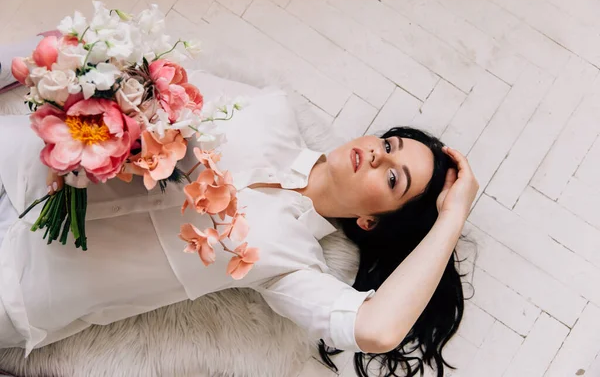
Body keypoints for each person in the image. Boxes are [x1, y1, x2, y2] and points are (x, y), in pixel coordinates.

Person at [0, 46, 478, 377]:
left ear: (371, 221)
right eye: (389, 144)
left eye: (393, 178)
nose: (378, 154)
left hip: (17, 290)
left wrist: (452, 217)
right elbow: (137, 78)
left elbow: (377, 330)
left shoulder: (287, 258)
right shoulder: (269, 110)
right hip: (17, 162)